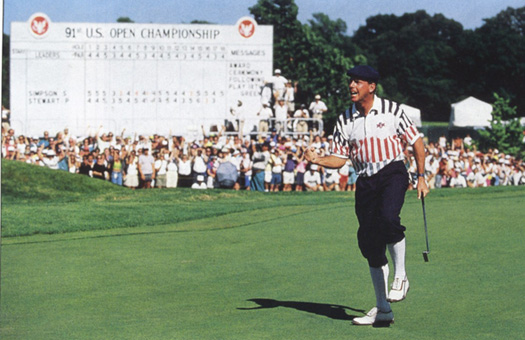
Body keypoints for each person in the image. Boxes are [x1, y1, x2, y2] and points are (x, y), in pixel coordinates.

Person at [304, 65, 429, 326]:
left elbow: (416, 142)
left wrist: (420, 176)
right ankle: (383, 309)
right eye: (350, 81)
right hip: (365, 181)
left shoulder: (393, 110)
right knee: (369, 241)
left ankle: (401, 276)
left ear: (371, 86)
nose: (351, 86)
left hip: (393, 171)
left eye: (357, 82)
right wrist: (318, 159)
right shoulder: (344, 119)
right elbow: (339, 159)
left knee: (388, 218)